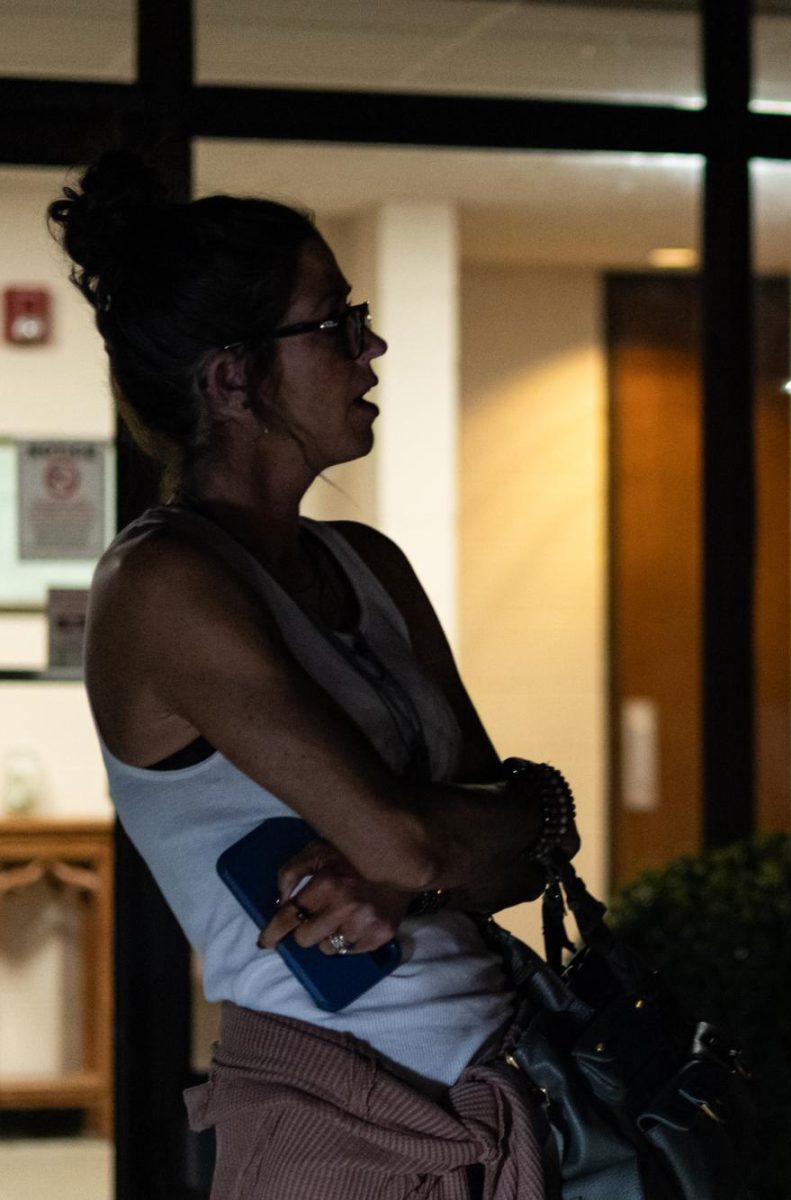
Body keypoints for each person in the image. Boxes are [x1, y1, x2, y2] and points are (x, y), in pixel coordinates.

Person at [49, 151, 578, 1199]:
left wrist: (440, 845)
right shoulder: (163, 585)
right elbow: (440, 835)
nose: (371, 348)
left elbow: (521, 851)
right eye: (335, 322)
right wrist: (433, 843)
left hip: (500, 1085)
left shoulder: (367, 564)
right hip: (335, 1123)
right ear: (231, 377)